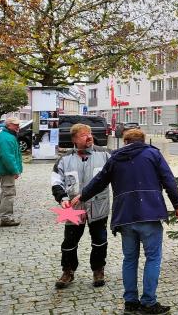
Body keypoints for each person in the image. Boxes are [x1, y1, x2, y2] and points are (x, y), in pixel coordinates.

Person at [72, 128, 178, 315]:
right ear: (143, 140)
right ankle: (148, 303)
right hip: (150, 214)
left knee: (130, 259)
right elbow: (168, 179)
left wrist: (82, 195)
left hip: (125, 216)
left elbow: (99, 181)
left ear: (125, 142)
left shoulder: (114, 158)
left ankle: (130, 303)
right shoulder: (153, 154)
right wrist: (177, 204)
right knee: (153, 258)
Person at [51, 124, 111, 289]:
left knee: (99, 241)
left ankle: (98, 270)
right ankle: (68, 271)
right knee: (69, 242)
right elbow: (56, 181)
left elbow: (121, 173)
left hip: (98, 206)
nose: (89, 137)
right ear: (74, 139)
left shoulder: (105, 154)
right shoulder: (64, 159)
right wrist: (62, 197)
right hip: (73, 208)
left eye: (90, 133)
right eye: (84, 135)